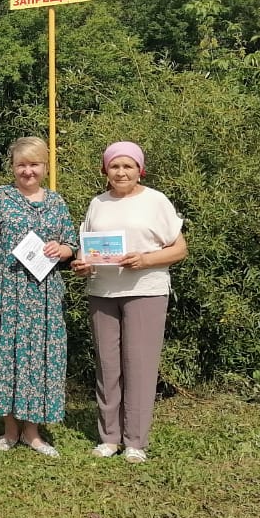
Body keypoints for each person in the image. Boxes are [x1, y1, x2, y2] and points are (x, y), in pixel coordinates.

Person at [73, 141, 187, 464]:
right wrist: (83, 266)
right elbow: (87, 250)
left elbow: (179, 249)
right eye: (114, 166)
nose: (121, 172)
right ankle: (109, 437)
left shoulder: (156, 201)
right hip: (102, 292)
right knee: (107, 367)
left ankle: (135, 440)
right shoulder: (97, 203)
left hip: (146, 290)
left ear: (140, 170)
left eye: (128, 166)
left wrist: (146, 260)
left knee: (139, 366)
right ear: (105, 170)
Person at [0, 137, 77, 458]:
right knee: (6, 357)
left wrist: (63, 250)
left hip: (44, 297)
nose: (27, 171)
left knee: (41, 359)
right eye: (21, 164)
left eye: (34, 164)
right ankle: (10, 429)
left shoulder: (57, 203)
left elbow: (72, 245)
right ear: (13, 167)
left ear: (45, 167)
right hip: (7, 293)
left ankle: (32, 431)